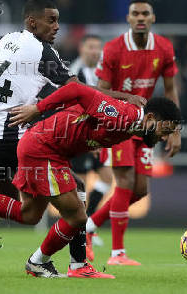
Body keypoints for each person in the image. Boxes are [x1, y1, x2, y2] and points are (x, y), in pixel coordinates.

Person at [0, 0, 129, 278]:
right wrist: (124, 98)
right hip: (12, 137)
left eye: (58, 20)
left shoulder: (7, 39)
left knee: (4, 203)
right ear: (32, 22)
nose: (57, 26)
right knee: (68, 191)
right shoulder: (42, 52)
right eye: (51, 20)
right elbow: (82, 91)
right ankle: (78, 264)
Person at [0, 82, 181, 278]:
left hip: (49, 149)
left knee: (30, 214)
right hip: (44, 149)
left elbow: (88, 111)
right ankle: (45, 263)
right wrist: (38, 109)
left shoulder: (133, 125)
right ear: (150, 119)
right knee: (78, 216)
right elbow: (77, 89)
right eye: (164, 131)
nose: (162, 138)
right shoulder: (123, 116)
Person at [86, 0, 181, 265]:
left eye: (145, 13)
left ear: (152, 18)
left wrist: (174, 130)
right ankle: (118, 254)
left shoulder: (164, 47)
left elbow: (171, 90)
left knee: (140, 191)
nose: (140, 18)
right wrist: (124, 101)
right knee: (125, 183)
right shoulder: (114, 49)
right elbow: (99, 91)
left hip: (148, 128)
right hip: (119, 124)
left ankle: (88, 227)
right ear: (128, 19)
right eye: (135, 13)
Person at [70, 35, 113, 247]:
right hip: (80, 136)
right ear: (82, 48)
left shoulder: (101, 73)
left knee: (107, 177)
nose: (95, 51)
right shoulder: (75, 72)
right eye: (90, 47)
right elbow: (78, 108)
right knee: (80, 186)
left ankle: (87, 226)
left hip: (97, 136)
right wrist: (90, 139)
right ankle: (78, 232)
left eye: (98, 47)